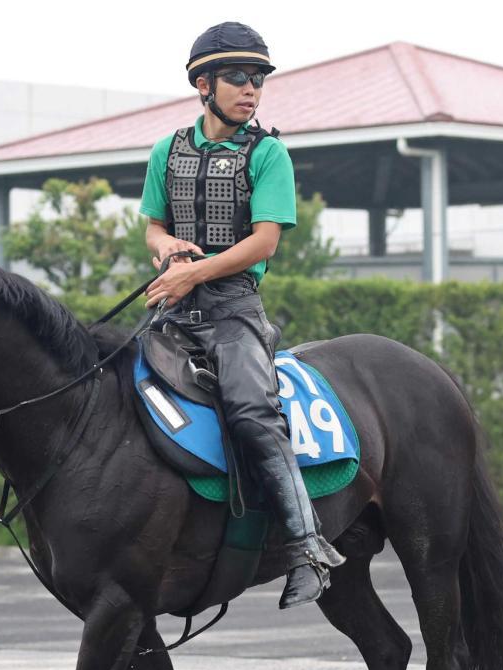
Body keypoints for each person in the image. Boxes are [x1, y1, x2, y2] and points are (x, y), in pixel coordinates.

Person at [140, 21, 344, 607]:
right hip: (173, 306)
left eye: (257, 79)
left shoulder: (270, 153)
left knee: (253, 411)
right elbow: (155, 224)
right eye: (238, 78)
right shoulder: (166, 150)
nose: (251, 88)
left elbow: (264, 244)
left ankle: (309, 545)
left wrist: (194, 272)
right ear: (202, 84)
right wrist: (165, 250)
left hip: (234, 313)